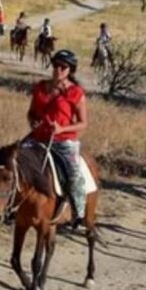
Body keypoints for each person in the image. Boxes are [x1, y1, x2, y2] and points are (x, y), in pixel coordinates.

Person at [26, 50, 88, 227]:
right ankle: (11, 206)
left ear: (70, 70)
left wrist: (62, 128)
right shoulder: (40, 87)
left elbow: (83, 123)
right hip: (38, 138)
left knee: (74, 174)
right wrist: (33, 122)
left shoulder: (76, 93)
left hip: (63, 141)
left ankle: (79, 212)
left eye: (63, 67)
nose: (58, 69)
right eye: (55, 65)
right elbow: (31, 113)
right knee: (13, 162)